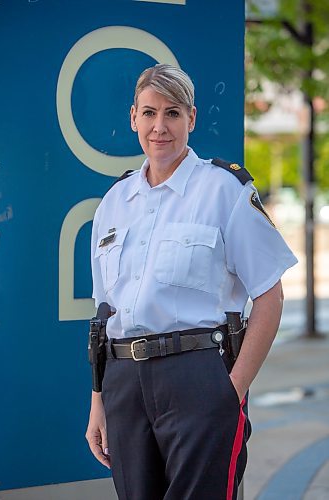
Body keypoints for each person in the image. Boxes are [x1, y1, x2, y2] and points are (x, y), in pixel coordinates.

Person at [85, 63, 297, 500]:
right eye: (149, 113)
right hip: (124, 384)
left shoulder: (225, 191)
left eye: (173, 113)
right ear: (133, 118)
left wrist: (231, 392)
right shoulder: (113, 204)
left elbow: (270, 296)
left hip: (198, 375)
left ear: (192, 119)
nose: (159, 126)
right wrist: (99, 399)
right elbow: (104, 315)